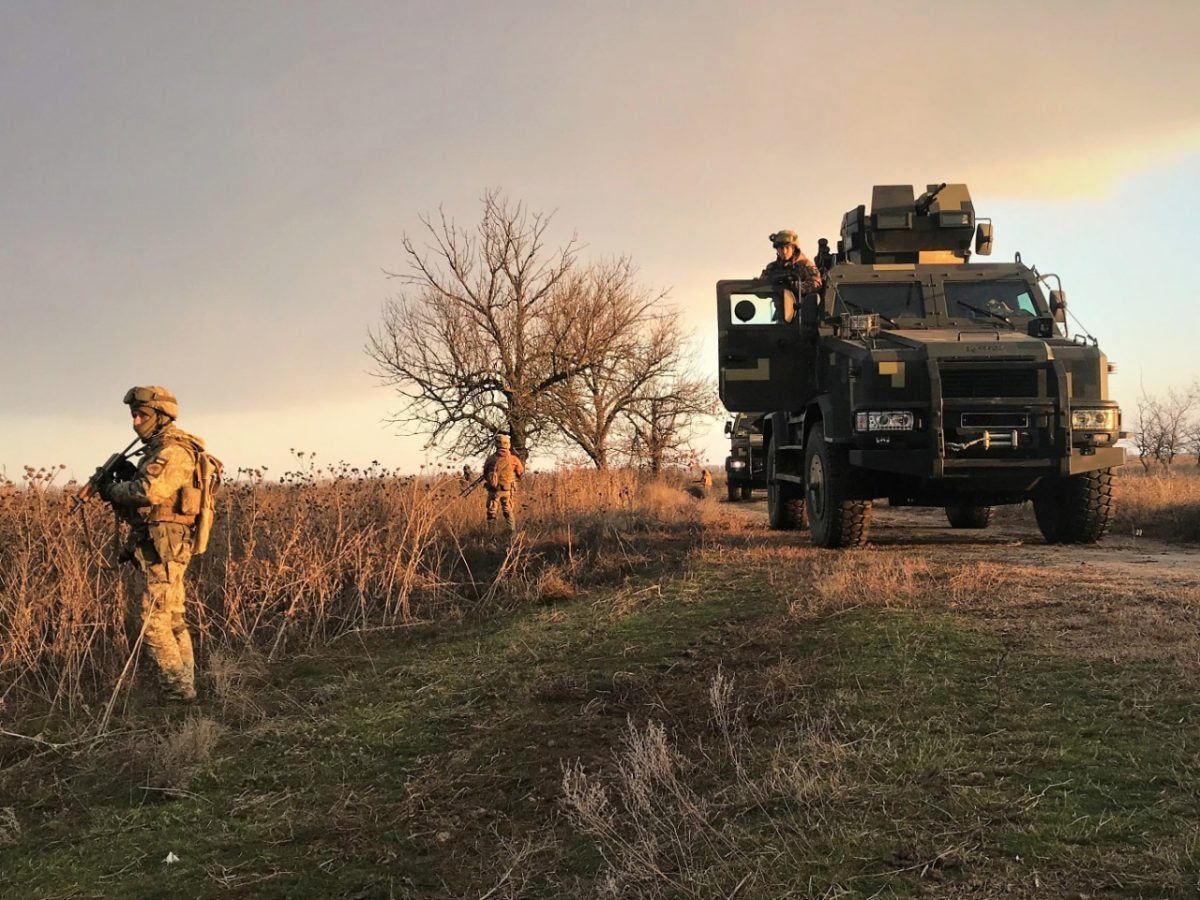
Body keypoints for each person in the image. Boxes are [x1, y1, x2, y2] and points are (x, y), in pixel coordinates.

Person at [98, 386, 214, 702]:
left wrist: (113, 489)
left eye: (142, 415)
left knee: (154, 620)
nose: (135, 422)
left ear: (161, 416)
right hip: (162, 543)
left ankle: (178, 695)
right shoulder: (159, 449)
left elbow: (148, 491)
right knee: (173, 617)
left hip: (167, 545)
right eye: (133, 415)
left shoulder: (173, 450)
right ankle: (186, 690)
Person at [762, 229, 823, 296]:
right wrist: (771, 284)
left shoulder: (805, 264)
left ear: (793, 248)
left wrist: (795, 285)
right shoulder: (773, 268)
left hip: (803, 305)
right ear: (777, 249)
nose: (784, 251)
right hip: (781, 304)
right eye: (781, 248)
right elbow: (761, 291)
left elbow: (816, 284)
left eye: (787, 247)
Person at [482, 434, 525, 529]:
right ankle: (511, 532)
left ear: (496, 444)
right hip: (507, 490)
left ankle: (491, 534)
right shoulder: (513, 459)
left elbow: (485, 474)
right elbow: (520, 472)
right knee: (507, 510)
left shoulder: (491, 458)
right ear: (508, 444)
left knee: (491, 511)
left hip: (494, 491)